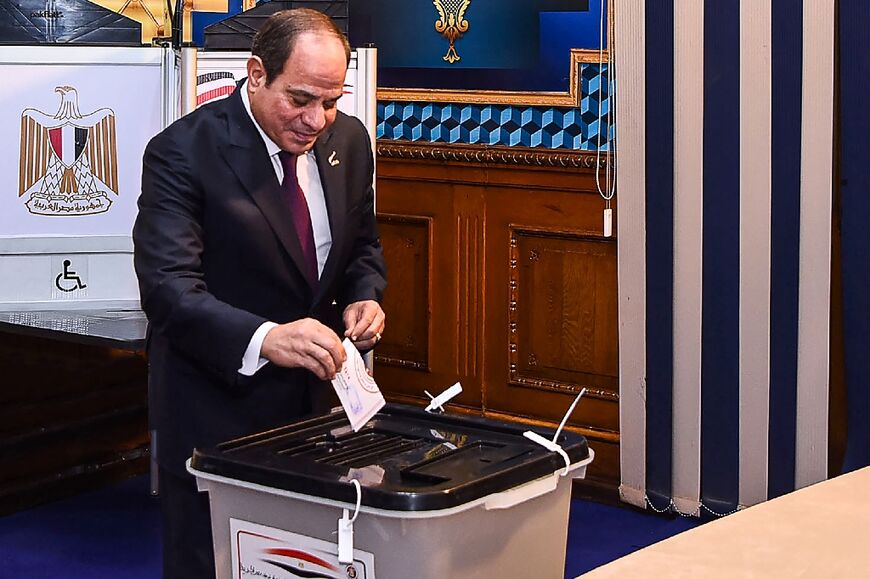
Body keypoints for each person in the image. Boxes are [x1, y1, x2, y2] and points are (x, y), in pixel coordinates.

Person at [132, 9, 387, 578]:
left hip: (318, 414)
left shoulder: (349, 138)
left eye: (331, 99)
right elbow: (168, 291)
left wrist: (365, 296)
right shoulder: (183, 152)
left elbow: (361, 246)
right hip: (217, 411)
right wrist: (266, 338)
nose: (316, 119)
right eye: (299, 99)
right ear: (255, 73)